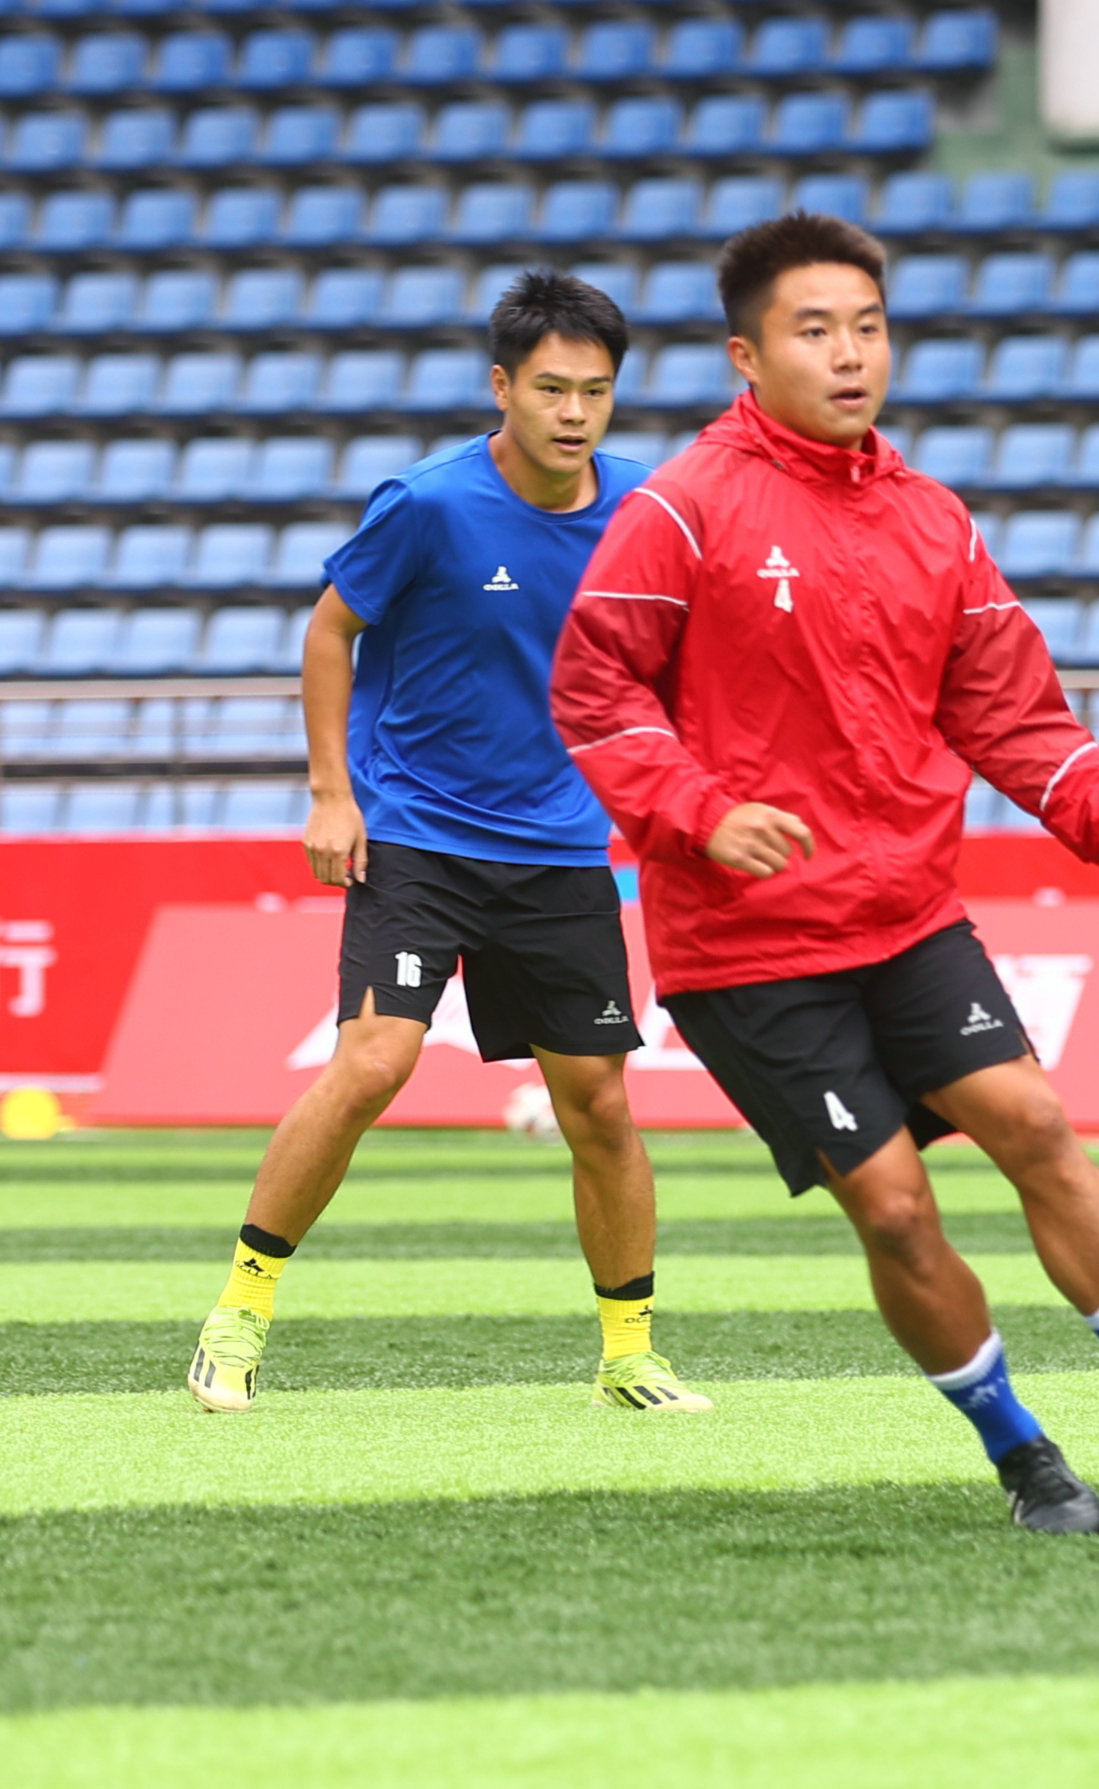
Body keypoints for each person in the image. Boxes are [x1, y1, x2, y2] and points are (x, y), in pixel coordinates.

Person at [548, 213, 1099, 1536]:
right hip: (748, 946)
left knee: (1036, 1124)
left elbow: (1016, 717)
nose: (850, 354)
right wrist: (701, 814)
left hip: (904, 911)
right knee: (894, 1208)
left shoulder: (931, 519)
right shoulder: (680, 507)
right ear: (746, 356)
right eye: (814, 330)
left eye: (868, 327)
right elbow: (595, 688)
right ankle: (1023, 1456)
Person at [189, 271, 709, 1417]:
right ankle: (238, 1315)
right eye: (551, 389)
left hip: (561, 850)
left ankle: (629, 1355)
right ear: (501, 387)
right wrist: (332, 794)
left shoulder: (645, 508)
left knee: (599, 1105)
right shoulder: (426, 504)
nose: (573, 412)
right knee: (372, 1063)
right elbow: (329, 632)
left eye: (595, 391)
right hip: (417, 836)